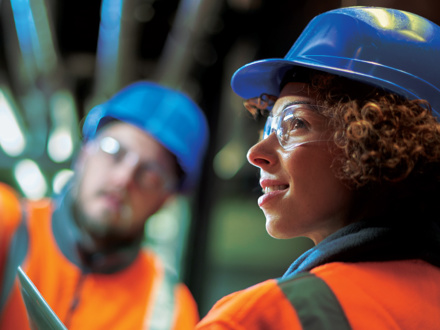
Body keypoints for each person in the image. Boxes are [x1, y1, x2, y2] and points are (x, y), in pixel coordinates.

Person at [196, 6, 440, 329]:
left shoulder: (263, 316)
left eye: (295, 123)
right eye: (268, 128)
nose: (256, 152)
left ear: (380, 140)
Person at [0, 81, 209, 329]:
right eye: (114, 151)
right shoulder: (8, 223)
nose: (123, 179)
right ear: (85, 152)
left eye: (151, 175)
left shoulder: (170, 312)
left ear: (166, 200)